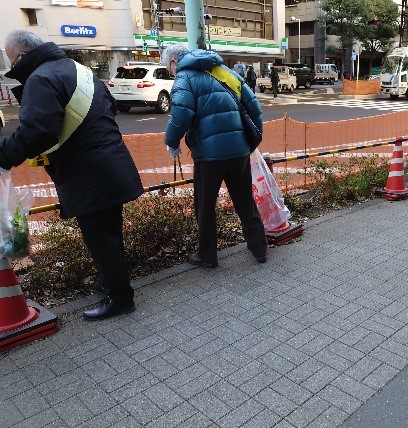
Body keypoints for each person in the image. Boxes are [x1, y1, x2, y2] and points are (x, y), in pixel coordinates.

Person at [0, 30, 143, 320]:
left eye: (12, 61)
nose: (12, 69)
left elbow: (36, 132)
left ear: (23, 56)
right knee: (110, 233)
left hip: (87, 173)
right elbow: (110, 109)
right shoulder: (81, 70)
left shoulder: (40, 79)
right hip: (112, 164)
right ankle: (110, 281)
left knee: (100, 238)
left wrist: (3, 156)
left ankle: (120, 298)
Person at [162, 45, 267, 268]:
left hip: (209, 157)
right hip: (239, 152)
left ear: (173, 60)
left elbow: (180, 114)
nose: (170, 72)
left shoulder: (185, 78)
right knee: (245, 202)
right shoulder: (225, 72)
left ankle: (207, 256)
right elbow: (254, 107)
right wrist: (251, 142)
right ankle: (259, 248)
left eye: (167, 67)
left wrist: (171, 142)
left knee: (206, 206)